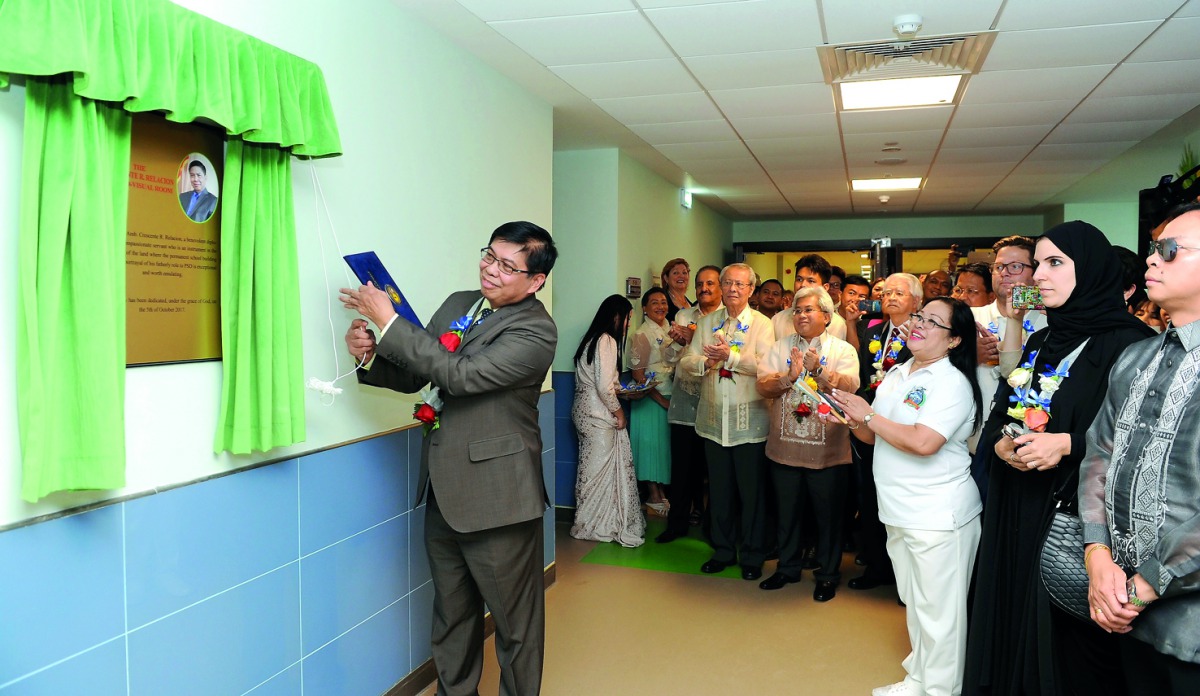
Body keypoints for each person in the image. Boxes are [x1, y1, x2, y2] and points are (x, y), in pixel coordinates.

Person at [340, 221, 557, 696]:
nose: (491, 270)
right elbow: (420, 373)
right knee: (451, 614)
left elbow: (460, 376)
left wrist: (392, 323)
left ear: (536, 280)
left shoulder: (536, 331)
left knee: (515, 625)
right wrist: (372, 354)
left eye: (507, 265)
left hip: (500, 498)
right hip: (443, 487)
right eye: (489, 256)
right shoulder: (461, 304)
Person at [963, 221, 1155, 696]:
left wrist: (1066, 444)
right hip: (1019, 502)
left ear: (1088, 271)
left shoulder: (1132, 343)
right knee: (1012, 616)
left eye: (1055, 263)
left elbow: (1143, 443)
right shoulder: (1042, 340)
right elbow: (1010, 411)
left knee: (1066, 644)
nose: (1038, 277)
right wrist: (1004, 442)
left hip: (1075, 515)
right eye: (1039, 264)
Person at [831, 297, 983, 696]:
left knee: (941, 615)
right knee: (916, 606)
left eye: (934, 322)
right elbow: (873, 432)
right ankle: (919, 679)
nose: (919, 324)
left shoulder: (952, 382)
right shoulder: (900, 372)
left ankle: (942, 689)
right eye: (919, 316)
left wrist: (868, 416)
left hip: (938, 515)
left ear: (954, 341)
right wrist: (851, 418)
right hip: (899, 509)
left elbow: (923, 442)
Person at [1080, 202, 1200, 695]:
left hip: (1186, 625)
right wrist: (1097, 557)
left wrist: (1144, 585)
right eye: (1154, 250)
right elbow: (1098, 455)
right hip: (1124, 607)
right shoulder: (1137, 355)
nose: (1152, 261)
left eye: (1169, 251)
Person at [755, 287, 859, 600]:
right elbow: (762, 385)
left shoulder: (843, 350)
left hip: (827, 452)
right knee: (787, 513)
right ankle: (787, 568)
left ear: (827, 316)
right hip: (785, 448)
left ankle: (827, 574)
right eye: (798, 310)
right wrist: (789, 375)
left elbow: (852, 386)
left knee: (827, 517)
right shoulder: (781, 346)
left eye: (809, 310)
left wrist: (820, 371)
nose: (801, 315)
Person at [680, 263, 775, 580]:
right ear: (720, 287)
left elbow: (765, 365)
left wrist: (730, 358)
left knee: (751, 494)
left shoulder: (762, 324)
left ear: (751, 290)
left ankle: (752, 554)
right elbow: (685, 363)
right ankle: (722, 550)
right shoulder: (706, 323)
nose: (733, 288)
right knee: (719, 491)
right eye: (728, 283)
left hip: (749, 422)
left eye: (740, 284)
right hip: (713, 419)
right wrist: (706, 360)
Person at [848, 273, 922, 591]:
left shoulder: (925, 332)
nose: (890, 297)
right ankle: (877, 566)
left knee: (903, 502)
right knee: (871, 497)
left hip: (905, 428)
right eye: (887, 292)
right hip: (869, 425)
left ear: (917, 302)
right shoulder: (874, 329)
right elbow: (863, 371)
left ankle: (905, 579)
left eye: (899, 293)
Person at [571, 295, 644, 548]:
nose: (627, 325)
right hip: (598, 413)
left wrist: (619, 389)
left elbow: (598, 380)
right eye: (627, 319)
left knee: (590, 470)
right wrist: (619, 412)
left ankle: (586, 520)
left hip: (582, 410)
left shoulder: (590, 340)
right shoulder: (607, 340)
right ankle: (595, 525)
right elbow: (603, 387)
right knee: (598, 472)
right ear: (616, 316)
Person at [657, 265, 723, 543]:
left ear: (721, 287)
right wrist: (675, 342)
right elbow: (669, 358)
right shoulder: (684, 315)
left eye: (710, 283)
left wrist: (695, 339)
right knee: (683, 469)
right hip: (685, 401)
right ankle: (677, 524)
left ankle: (713, 529)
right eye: (700, 284)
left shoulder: (727, 318)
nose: (704, 288)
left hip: (716, 404)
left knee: (715, 472)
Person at [627, 287, 676, 515]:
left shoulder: (671, 328)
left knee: (664, 449)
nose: (660, 306)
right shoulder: (642, 333)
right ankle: (653, 495)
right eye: (654, 302)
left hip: (671, 396)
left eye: (663, 302)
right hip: (650, 400)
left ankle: (662, 493)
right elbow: (639, 376)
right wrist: (660, 401)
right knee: (650, 448)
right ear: (644, 308)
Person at [775, 254, 847, 341]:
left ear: (825, 288)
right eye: (799, 279)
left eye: (811, 281)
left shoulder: (837, 324)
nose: (803, 285)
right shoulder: (778, 320)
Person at [661, 258, 693, 322]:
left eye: (684, 273)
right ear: (666, 278)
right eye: (675, 273)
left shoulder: (693, 305)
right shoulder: (662, 303)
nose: (681, 276)